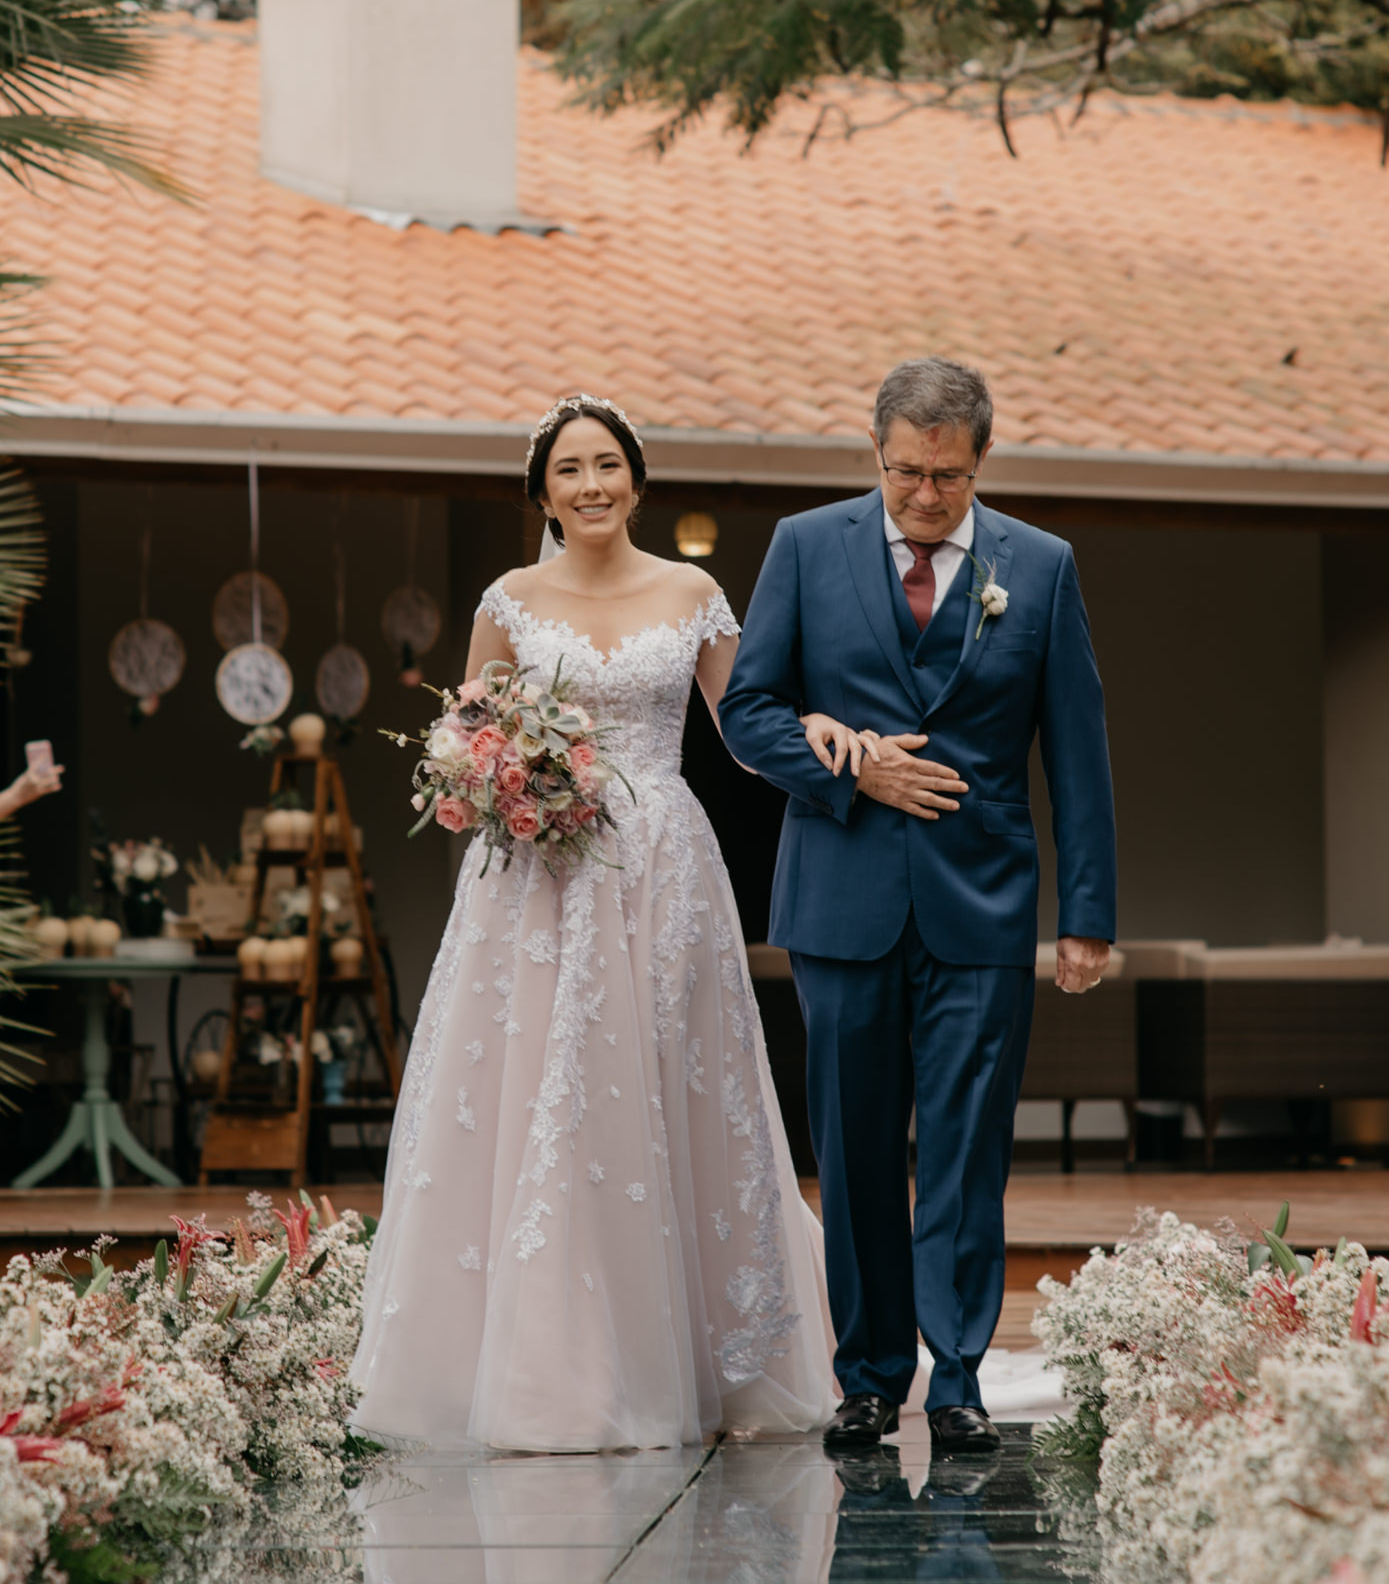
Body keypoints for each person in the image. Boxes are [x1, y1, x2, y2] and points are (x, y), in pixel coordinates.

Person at [349, 396, 839, 1454]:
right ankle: (551, 1367)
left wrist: (827, 738)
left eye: (606, 464)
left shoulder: (692, 592)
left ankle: (704, 1355)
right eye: (568, 470)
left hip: (663, 864)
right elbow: (467, 731)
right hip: (539, 874)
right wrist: (494, 773)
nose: (589, 485)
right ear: (542, 493)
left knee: (663, 1080)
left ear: (636, 480)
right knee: (542, 1084)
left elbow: (745, 727)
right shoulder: (509, 599)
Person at [718, 356, 1116, 1459]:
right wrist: (846, 766)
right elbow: (747, 712)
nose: (924, 496)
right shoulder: (805, 546)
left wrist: (1086, 913)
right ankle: (866, 1377)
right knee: (852, 1151)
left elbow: (1075, 748)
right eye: (903, 473)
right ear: (875, 453)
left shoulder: (1040, 567)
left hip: (982, 903)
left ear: (981, 459)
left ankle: (958, 1379)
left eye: (945, 476)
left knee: (964, 1149)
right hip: (839, 899)